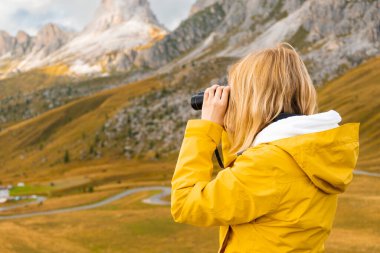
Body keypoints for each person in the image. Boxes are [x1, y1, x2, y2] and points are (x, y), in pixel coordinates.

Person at [170, 42, 360, 253]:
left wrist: (207, 129)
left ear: (253, 98)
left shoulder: (268, 163)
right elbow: (242, 181)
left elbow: (185, 204)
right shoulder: (307, 151)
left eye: (239, 92)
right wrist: (236, 127)